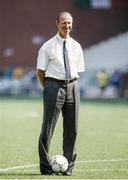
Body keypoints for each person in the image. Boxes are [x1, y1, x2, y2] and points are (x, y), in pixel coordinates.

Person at [36, 11, 85, 176]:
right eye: (64, 23)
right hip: (53, 87)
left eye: (70, 23)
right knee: (48, 128)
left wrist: (70, 86)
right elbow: (40, 72)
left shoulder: (76, 46)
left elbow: (77, 69)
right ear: (57, 23)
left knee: (73, 129)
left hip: (73, 86)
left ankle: (68, 166)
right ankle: (45, 166)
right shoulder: (47, 46)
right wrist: (48, 88)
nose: (67, 26)